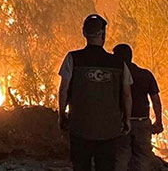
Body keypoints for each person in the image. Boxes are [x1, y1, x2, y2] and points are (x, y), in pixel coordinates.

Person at [58, 14, 133, 171]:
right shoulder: (119, 63)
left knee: (81, 166)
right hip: (109, 130)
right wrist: (127, 119)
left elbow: (63, 91)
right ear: (103, 35)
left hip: (80, 127)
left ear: (84, 33)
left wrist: (62, 115)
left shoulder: (72, 58)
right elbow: (126, 95)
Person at [113, 43, 163, 171]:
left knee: (120, 156)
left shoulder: (115, 76)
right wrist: (158, 122)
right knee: (143, 158)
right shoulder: (145, 74)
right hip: (142, 122)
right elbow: (155, 100)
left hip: (121, 122)